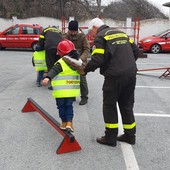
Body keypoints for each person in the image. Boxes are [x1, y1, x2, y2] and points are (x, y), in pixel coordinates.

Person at [79, 18, 141, 146]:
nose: (91, 35)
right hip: (130, 75)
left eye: (91, 32)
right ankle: (130, 136)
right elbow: (136, 51)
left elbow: (97, 59)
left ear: (95, 27)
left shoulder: (101, 37)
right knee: (127, 105)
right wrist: (127, 65)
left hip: (114, 77)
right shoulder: (121, 33)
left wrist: (84, 70)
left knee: (109, 106)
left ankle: (110, 137)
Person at [42, 39, 82, 132]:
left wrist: (47, 78)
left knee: (61, 106)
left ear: (61, 52)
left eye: (58, 51)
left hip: (61, 91)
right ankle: (69, 123)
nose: (57, 53)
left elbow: (54, 70)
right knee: (69, 106)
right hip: (71, 91)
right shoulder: (78, 63)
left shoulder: (61, 62)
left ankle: (64, 122)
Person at [63, 20, 90, 105]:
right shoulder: (65, 36)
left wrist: (81, 59)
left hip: (80, 61)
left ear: (77, 30)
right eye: (71, 31)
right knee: (70, 80)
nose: (73, 33)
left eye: (74, 31)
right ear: (69, 30)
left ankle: (84, 97)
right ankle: (72, 95)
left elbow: (86, 49)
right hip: (69, 60)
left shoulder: (82, 36)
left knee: (82, 80)